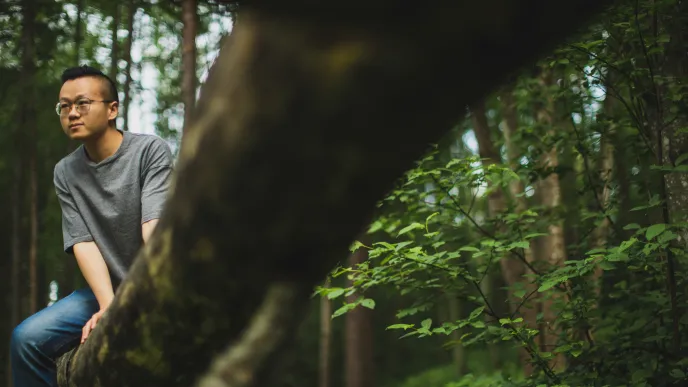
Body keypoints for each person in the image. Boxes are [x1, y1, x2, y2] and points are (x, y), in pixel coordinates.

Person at [9, 65, 174, 387]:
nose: (72, 113)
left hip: (154, 281)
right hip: (102, 289)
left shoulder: (149, 150)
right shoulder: (65, 172)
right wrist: (108, 304)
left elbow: (154, 228)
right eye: (64, 106)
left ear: (112, 109)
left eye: (82, 103)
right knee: (26, 339)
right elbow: (83, 241)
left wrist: (147, 295)